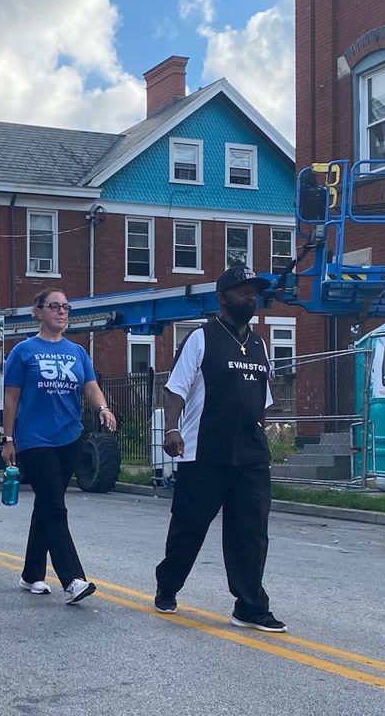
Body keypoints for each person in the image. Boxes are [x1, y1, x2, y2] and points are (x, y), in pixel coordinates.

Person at [155, 266, 286, 633]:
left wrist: (260, 433)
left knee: (251, 531)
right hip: (204, 452)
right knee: (189, 527)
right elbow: (175, 389)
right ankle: (168, 584)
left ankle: (250, 605)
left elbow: (263, 398)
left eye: (254, 291)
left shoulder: (259, 345)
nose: (251, 297)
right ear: (223, 297)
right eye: (243, 291)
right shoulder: (201, 338)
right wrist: (172, 429)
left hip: (250, 454)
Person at [1, 289, 117, 606]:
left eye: (66, 307)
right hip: (35, 440)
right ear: (37, 312)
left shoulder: (78, 352)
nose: (62, 312)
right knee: (55, 506)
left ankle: (31, 574)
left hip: (70, 438)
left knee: (47, 506)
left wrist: (103, 408)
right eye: (54, 306)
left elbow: (90, 386)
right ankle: (72, 578)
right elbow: (10, 399)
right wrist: (7, 439)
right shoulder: (23, 351)